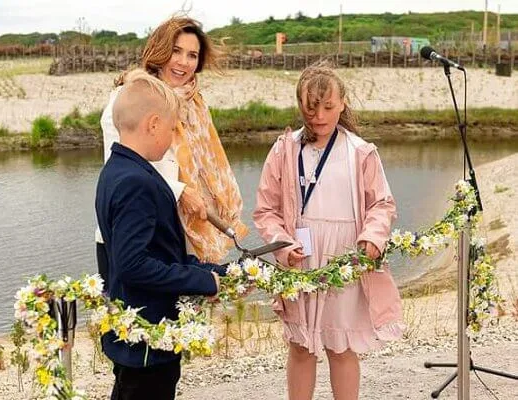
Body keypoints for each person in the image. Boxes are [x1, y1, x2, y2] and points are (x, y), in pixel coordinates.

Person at [252, 62, 404, 400]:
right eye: (310, 107)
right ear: (300, 105)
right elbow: (265, 209)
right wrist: (281, 244)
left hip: (344, 260)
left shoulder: (361, 152)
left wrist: (372, 237)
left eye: (327, 107)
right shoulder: (284, 149)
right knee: (301, 346)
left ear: (343, 103)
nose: (318, 115)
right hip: (299, 259)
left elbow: (382, 204)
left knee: (341, 346)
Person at [95, 69, 222, 400]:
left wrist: (209, 271)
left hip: (138, 339)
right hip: (148, 340)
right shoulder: (136, 182)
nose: (173, 137)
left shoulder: (116, 170)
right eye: (172, 128)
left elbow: (159, 252)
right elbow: (133, 264)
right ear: (153, 124)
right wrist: (204, 283)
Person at [96, 16, 247, 287]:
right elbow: (120, 165)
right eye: (176, 51)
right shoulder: (129, 96)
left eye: (192, 55)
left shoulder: (194, 102)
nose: (182, 62)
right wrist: (182, 191)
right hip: (139, 234)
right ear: (160, 50)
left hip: (182, 231)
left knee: (186, 318)